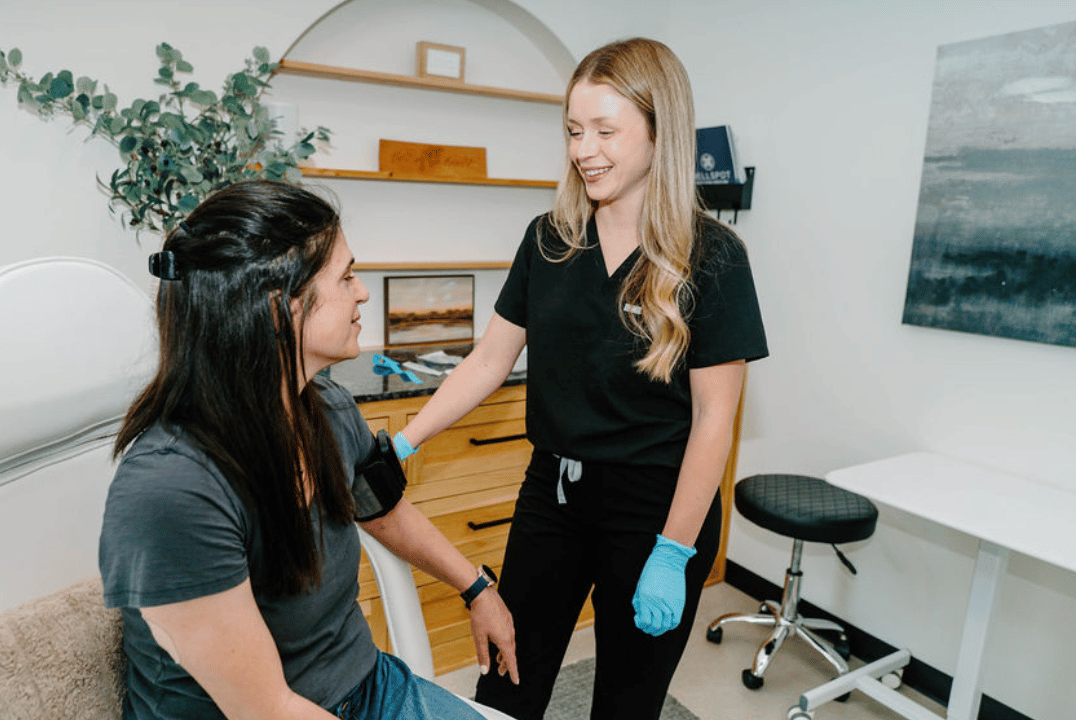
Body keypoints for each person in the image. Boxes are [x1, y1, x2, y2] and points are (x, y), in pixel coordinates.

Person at [392, 38, 768, 720]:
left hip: (657, 511)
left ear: (661, 132)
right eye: (573, 130)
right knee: (506, 684)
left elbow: (715, 419)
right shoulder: (549, 239)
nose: (583, 149)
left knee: (625, 703)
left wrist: (674, 551)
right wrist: (403, 443)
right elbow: (486, 361)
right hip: (554, 499)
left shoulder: (714, 258)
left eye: (605, 131)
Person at [98, 179, 518, 720]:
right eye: (345, 277)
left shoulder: (328, 407)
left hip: (367, 687)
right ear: (281, 306)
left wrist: (477, 587)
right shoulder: (170, 491)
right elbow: (267, 709)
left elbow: (382, 509)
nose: (363, 291)